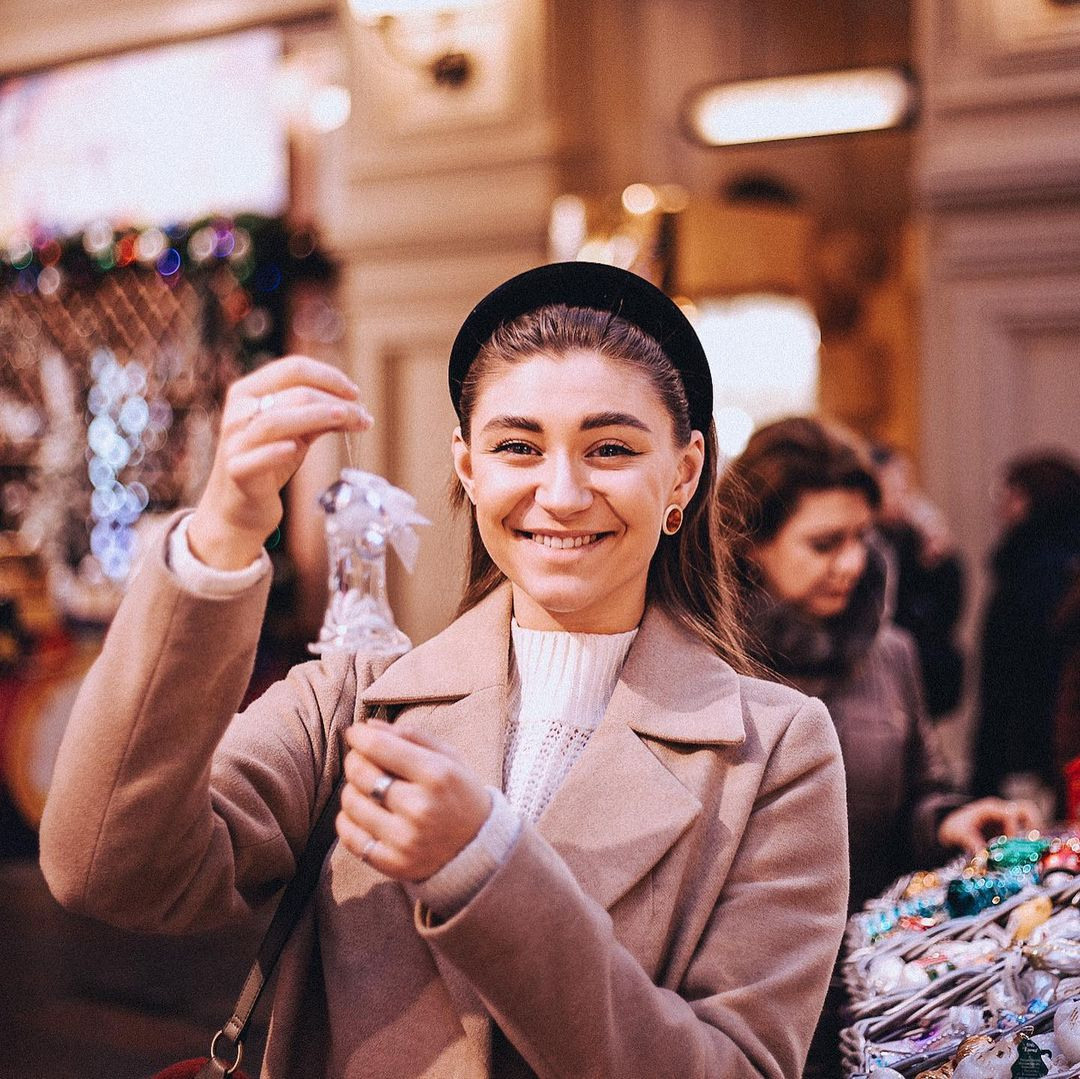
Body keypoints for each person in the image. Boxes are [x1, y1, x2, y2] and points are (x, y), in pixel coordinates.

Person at [39, 263, 850, 1079]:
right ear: (468, 467)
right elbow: (106, 869)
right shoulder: (353, 704)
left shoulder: (775, 753)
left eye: (609, 448)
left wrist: (487, 861)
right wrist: (220, 536)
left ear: (683, 471)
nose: (562, 492)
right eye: (517, 446)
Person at [717, 417, 1042, 1079]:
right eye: (824, 543)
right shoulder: (708, 663)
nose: (853, 562)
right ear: (750, 546)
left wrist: (949, 818)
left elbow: (923, 786)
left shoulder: (889, 653)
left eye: (862, 537)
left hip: (876, 994)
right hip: (740, 999)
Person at [971, 452, 1080, 805]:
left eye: (1011, 493)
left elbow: (1011, 675)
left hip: (1031, 745)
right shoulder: (1045, 564)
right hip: (1048, 744)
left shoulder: (1029, 571)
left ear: (1033, 501)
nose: (1001, 504)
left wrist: (988, 771)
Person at [870, 443, 966, 720]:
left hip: (919, 669)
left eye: (905, 485)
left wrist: (941, 559)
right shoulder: (863, 541)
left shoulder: (914, 537)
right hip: (878, 673)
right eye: (894, 485)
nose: (904, 495)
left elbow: (949, 611)